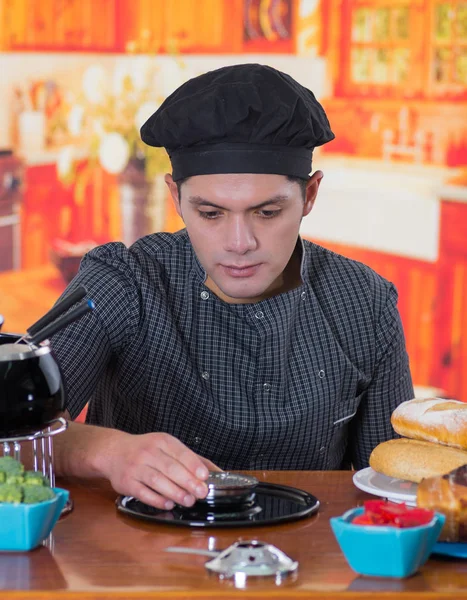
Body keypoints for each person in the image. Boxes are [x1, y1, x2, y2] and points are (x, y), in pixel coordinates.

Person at [50, 63, 414, 510]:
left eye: (266, 212)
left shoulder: (365, 303)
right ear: (175, 197)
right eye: (211, 214)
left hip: (310, 568)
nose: (240, 244)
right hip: (140, 572)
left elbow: (395, 489)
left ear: (310, 196)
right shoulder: (123, 281)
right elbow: (8, 425)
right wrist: (103, 451)